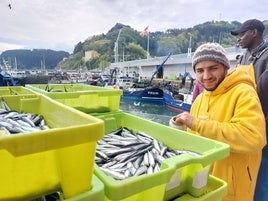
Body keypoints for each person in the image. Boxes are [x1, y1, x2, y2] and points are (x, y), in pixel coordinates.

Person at [171, 42, 266, 201]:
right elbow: (193, 143)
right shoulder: (200, 99)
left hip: (234, 190)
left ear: (225, 67)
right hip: (203, 185)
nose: (206, 76)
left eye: (213, 68)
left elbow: (253, 137)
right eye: (200, 70)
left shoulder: (243, 92)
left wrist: (196, 123)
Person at [230, 19, 268, 201]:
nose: (239, 38)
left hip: (263, 124)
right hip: (240, 122)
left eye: (242, 34)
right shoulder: (244, 56)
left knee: (262, 173)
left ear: (254, 32)